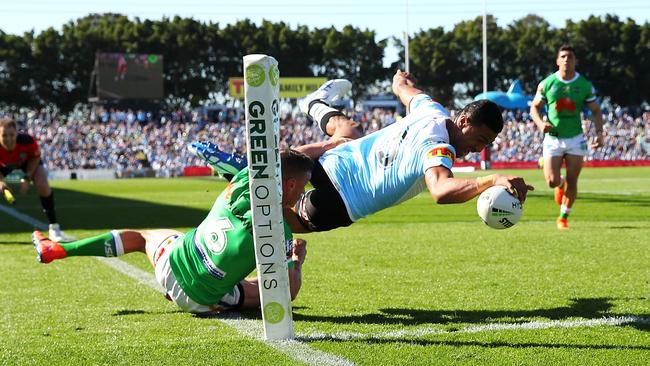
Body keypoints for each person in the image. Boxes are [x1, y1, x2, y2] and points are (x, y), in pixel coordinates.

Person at [191, 70, 534, 233]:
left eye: (488, 145)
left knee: (347, 133)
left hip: (334, 162)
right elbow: (442, 191)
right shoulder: (438, 147)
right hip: (345, 202)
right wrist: (492, 180)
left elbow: (404, 88)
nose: (479, 148)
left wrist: (401, 78)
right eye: (481, 138)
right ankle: (248, 186)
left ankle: (309, 111)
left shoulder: (431, 109)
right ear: (462, 120)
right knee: (288, 220)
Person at [32, 149, 313, 314]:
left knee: (142, 238)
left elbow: (246, 169)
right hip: (200, 301)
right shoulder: (280, 234)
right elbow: (288, 292)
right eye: (303, 186)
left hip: (171, 262)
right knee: (261, 288)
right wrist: (296, 259)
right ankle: (220, 285)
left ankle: (60, 249)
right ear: (288, 185)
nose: (304, 192)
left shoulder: (241, 180)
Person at [530, 45, 604, 230]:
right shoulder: (547, 83)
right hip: (553, 136)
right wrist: (540, 124)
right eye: (562, 56)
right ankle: (559, 184)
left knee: (573, 180)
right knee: (551, 181)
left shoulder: (584, 85)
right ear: (557, 61)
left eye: (570, 57)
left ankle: (563, 217)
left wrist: (600, 134)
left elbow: (596, 110)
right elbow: (534, 108)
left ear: (575, 61)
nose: (566, 59)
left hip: (575, 138)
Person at [0, 118, 73, 241]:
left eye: (11, 135)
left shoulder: (27, 140)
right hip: (3, 166)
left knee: (43, 185)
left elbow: (35, 158)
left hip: (27, 163)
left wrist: (27, 178)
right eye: (4, 135)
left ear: (17, 133)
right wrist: (1, 181)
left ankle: (54, 227)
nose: (8, 139)